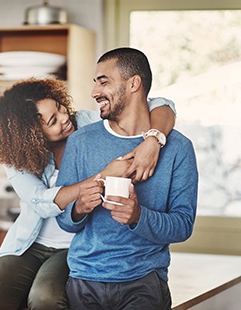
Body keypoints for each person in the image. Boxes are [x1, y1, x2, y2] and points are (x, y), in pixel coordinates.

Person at [0, 78, 176, 310]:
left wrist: (153, 139)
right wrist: (103, 175)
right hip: (28, 244)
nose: (64, 118)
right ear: (31, 136)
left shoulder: (87, 122)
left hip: (75, 244)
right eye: (53, 121)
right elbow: (42, 201)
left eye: (60, 108)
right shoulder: (17, 156)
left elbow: (163, 104)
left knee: (45, 298)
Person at [56, 48, 198, 310]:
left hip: (144, 283)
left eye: (104, 81)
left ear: (134, 83)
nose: (94, 92)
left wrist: (137, 216)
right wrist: (79, 207)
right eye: (95, 82)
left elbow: (182, 226)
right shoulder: (80, 142)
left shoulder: (178, 148)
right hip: (84, 281)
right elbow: (63, 218)